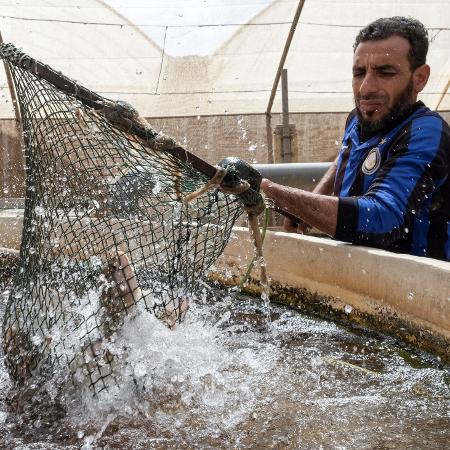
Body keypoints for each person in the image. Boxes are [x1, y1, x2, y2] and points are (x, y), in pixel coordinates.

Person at [261, 16, 450, 261]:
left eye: (385, 72)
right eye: (359, 73)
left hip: (420, 288)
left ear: (420, 78)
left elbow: (381, 219)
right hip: (361, 274)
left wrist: (276, 194)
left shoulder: (425, 133)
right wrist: (314, 200)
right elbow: (346, 155)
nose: (365, 89)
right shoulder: (360, 118)